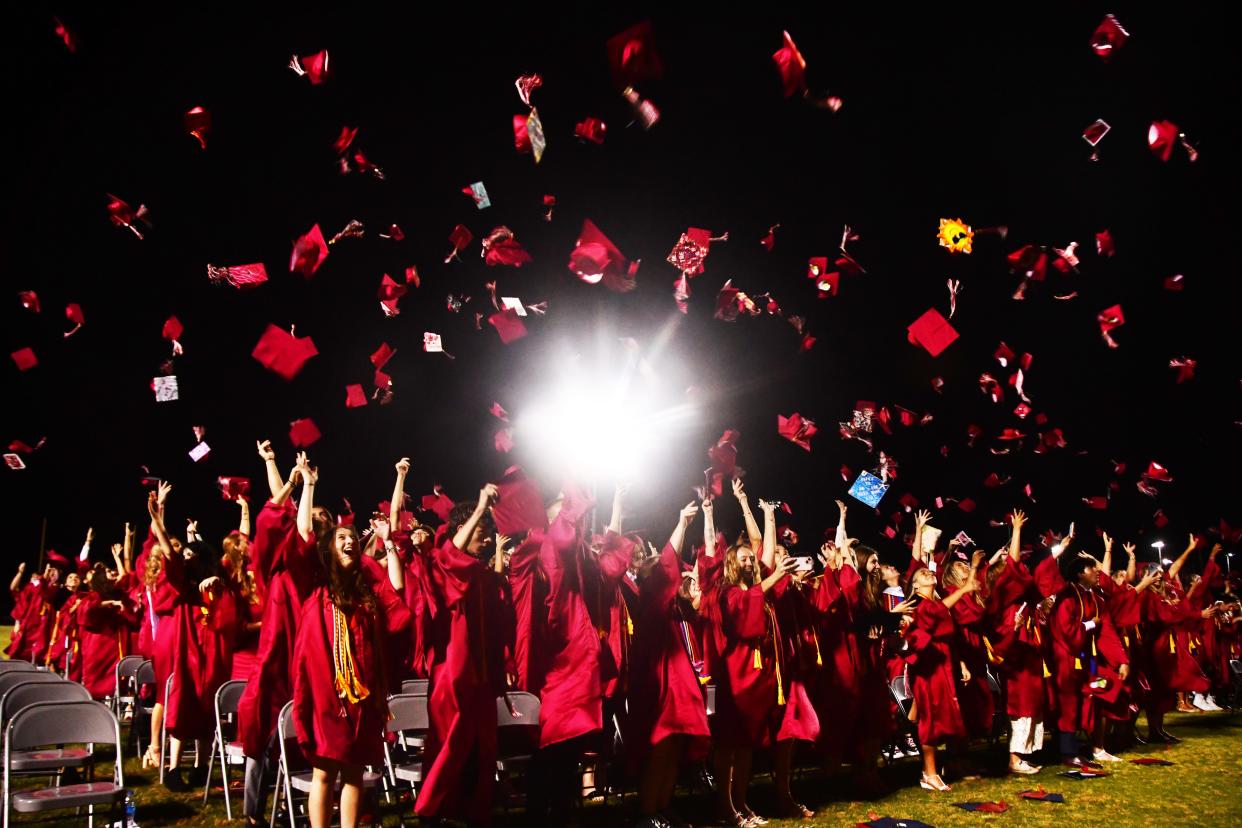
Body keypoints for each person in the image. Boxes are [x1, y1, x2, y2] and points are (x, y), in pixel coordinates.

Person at [290, 451, 411, 828]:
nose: (348, 542)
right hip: (329, 693)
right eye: (341, 538)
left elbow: (398, 595)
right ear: (329, 550)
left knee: (355, 771)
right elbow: (302, 535)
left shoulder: (366, 594)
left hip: (365, 694)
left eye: (352, 540)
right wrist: (308, 485)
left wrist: (388, 545)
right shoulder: (317, 591)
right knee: (326, 770)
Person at [416, 483, 512, 825]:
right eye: (481, 533)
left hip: (482, 678)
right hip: (452, 679)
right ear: (461, 531)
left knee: (481, 751)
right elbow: (451, 558)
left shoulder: (484, 575)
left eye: (489, 534)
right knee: (449, 747)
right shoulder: (441, 564)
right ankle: (432, 814)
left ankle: (470, 814)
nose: (487, 541)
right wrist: (481, 503)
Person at [626, 502, 710, 828]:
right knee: (661, 751)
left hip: (677, 686)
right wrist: (681, 524)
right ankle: (648, 813)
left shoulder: (673, 611)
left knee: (674, 750)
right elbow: (666, 565)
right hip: (660, 688)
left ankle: (663, 807)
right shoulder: (650, 603)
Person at [1049, 550, 1130, 767]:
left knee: (1102, 689)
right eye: (1091, 568)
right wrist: (1091, 624)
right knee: (1068, 704)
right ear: (1079, 573)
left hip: (1086, 660)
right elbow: (1065, 629)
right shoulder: (1067, 596)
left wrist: (1121, 660)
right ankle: (1067, 751)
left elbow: (1108, 631)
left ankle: (1094, 746)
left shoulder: (1095, 597)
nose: (1097, 571)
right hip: (1066, 658)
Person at [902, 560, 978, 791]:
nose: (927, 573)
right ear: (915, 586)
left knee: (946, 716)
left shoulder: (934, 602)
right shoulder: (917, 604)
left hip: (944, 663)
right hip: (928, 667)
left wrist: (962, 664)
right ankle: (929, 773)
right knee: (931, 720)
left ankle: (947, 766)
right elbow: (934, 615)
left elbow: (949, 635)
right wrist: (964, 589)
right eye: (921, 574)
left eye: (928, 571)